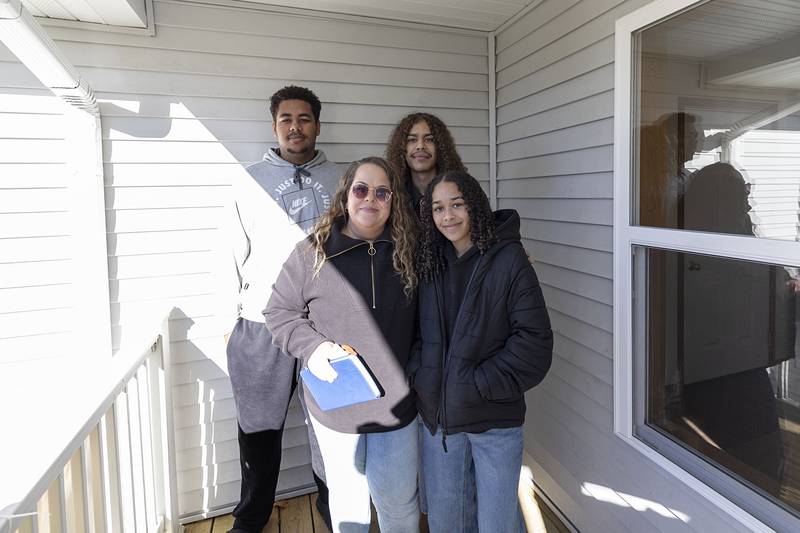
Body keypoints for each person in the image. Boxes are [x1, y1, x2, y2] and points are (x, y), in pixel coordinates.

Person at [264, 157, 421, 533]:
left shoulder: (412, 254)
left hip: (396, 408)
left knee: (398, 504)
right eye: (361, 189)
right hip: (336, 407)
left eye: (382, 192)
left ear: (394, 200)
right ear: (346, 195)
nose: (371, 198)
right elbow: (279, 312)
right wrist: (314, 348)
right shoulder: (312, 252)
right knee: (349, 505)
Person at [410, 170, 553, 533]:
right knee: (447, 523)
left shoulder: (509, 260)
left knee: (497, 524)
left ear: (475, 206)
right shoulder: (430, 262)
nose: (448, 216)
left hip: (494, 423)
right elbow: (412, 334)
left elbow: (533, 344)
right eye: (438, 209)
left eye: (457, 205)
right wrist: (423, 376)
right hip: (440, 425)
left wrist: (475, 385)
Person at [224, 85, 338, 533]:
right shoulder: (247, 180)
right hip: (260, 325)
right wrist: (229, 326)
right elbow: (229, 254)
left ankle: (337, 512)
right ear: (274, 125)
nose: (296, 126)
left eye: (305, 118)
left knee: (329, 428)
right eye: (287, 118)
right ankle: (251, 517)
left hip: (324, 327)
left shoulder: (343, 181)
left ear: (317, 125)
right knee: (258, 430)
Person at [385, 112, 467, 212]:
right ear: (401, 148)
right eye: (412, 140)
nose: (420, 146)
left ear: (441, 147)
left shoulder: (463, 189)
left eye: (429, 140)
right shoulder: (390, 195)